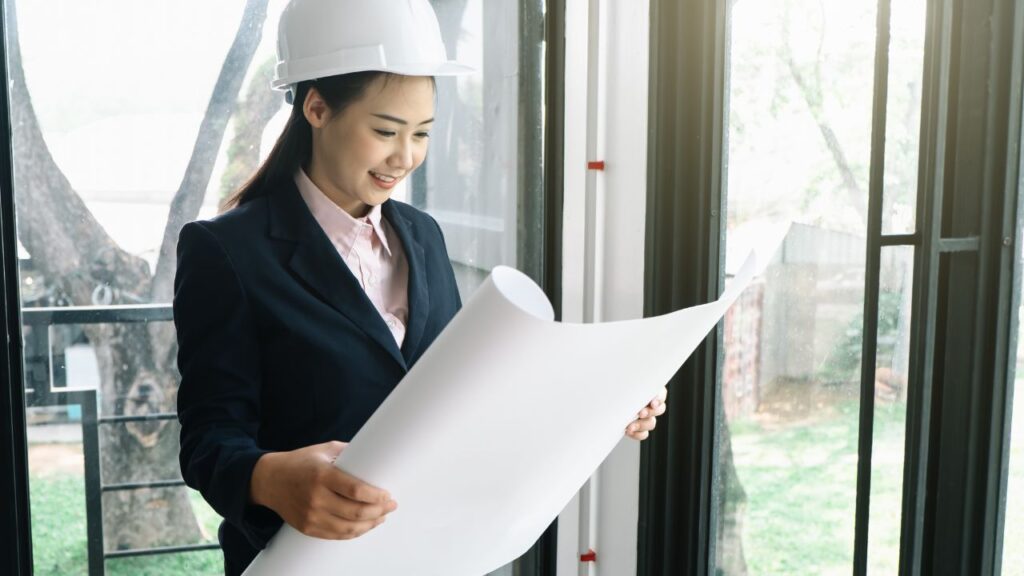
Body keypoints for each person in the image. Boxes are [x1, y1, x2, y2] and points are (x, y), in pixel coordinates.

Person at [172, 1, 668, 574]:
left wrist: (598, 402)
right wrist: (271, 480)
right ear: (316, 107)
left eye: (422, 134)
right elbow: (210, 440)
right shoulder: (227, 251)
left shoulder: (422, 236)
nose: (403, 157)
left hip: (438, 555)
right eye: (385, 130)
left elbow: (464, 397)